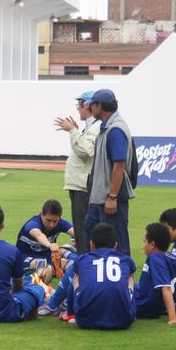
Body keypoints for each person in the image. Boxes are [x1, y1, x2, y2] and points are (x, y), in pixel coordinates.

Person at [84, 89, 135, 256]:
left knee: (117, 244)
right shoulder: (107, 127)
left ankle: (124, 273)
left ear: (100, 105)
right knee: (91, 237)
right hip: (99, 198)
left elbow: (119, 165)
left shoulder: (115, 129)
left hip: (110, 199)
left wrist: (112, 197)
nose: (89, 108)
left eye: (92, 105)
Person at [54, 90, 100, 254]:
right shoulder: (92, 127)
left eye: (79, 105)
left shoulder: (95, 127)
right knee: (82, 229)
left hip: (82, 186)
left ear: (87, 106)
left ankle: (84, 260)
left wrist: (73, 131)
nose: (77, 109)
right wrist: (76, 131)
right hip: (80, 185)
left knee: (82, 230)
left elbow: (85, 151)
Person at [70, 223, 136, 329]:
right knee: (130, 276)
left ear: (91, 244)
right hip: (124, 320)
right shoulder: (126, 260)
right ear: (115, 245)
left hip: (85, 320)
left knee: (76, 276)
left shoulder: (82, 259)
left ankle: (67, 311)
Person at [15, 199, 75, 282]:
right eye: (48, 220)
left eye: (55, 221)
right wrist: (49, 245)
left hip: (47, 256)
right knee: (39, 263)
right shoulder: (33, 223)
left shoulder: (61, 223)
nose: (51, 225)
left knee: (71, 264)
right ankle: (44, 272)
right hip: (24, 256)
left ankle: (48, 271)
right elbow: (38, 234)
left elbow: (76, 232)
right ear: (41, 214)